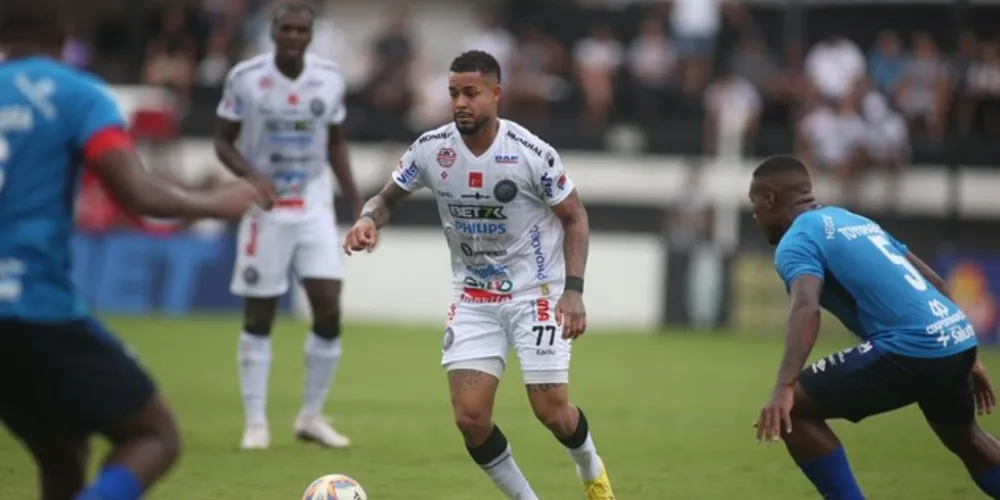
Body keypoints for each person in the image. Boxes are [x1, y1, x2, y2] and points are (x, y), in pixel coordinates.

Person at [0, 1, 261, 499]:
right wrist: (217, 201)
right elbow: (136, 192)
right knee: (154, 434)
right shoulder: (77, 95)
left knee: (62, 451)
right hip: (34, 306)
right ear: (64, 33)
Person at [343, 50, 616, 500]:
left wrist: (574, 292)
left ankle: (591, 469)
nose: (460, 103)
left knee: (551, 411)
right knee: (470, 417)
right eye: (453, 93)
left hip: (537, 294)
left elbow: (575, 217)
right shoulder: (432, 149)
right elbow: (387, 197)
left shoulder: (530, 153)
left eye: (471, 93)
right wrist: (368, 219)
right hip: (474, 298)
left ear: (496, 93)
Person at [749, 155, 1000, 499]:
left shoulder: (797, 240)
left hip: (913, 347)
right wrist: (968, 356)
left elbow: (806, 307)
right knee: (967, 438)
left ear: (770, 200)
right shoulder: (851, 219)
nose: (755, 215)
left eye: (754, 204)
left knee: (793, 409)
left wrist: (784, 385)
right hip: (955, 336)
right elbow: (936, 284)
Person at [214, 1, 362, 450]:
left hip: (314, 205)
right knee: (260, 314)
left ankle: (311, 417)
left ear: (311, 34)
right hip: (267, 209)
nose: (294, 36)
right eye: (286, 29)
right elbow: (222, 140)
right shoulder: (246, 78)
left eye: (302, 30)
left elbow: (335, 143)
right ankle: (256, 422)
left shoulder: (330, 79)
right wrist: (253, 177)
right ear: (273, 31)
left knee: (329, 307)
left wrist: (356, 200)